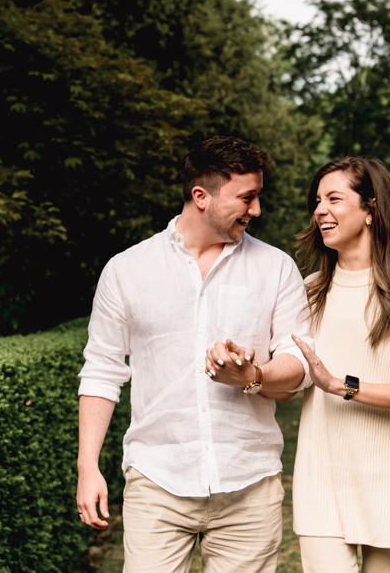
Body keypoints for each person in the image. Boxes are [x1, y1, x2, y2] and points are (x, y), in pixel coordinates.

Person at [75, 135, 313, 573]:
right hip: (157, 482)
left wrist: (252, 375)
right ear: (201, 196)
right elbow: (102, 372)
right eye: (247, 197)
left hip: (250, 485)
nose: (256, 210)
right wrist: (87, 467)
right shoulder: (127, 270)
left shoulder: (276, 267)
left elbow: (299, 367)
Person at [290, 157, 390, 573]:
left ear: (371, 209)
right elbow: (284, 375)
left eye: (334, 198)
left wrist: (342, 386)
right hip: (320, 478)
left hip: (389, 479)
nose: (320, 209)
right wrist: (249, 374)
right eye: (317, 200)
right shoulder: (305, 292)